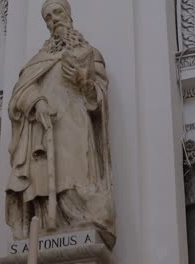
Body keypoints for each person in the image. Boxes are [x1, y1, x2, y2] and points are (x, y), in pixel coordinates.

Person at [6, 0, 115, 243]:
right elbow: (20, 92)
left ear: (68, 15)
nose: (53, 20)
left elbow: (100, 97)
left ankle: (82, 219)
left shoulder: (90, 54)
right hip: (44, 134)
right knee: (46, 183)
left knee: (76, 180)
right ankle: (46, 224)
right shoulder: (38, 60)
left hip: (75, 127)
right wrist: (37, 101)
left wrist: (84, 81)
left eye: (57, 13)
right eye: (47, 18)